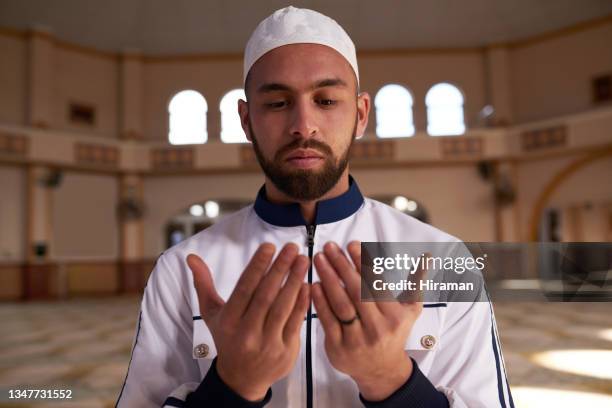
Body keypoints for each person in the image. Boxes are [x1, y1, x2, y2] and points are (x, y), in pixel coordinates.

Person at [116, 6, 513, 408]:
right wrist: (230, 387)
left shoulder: (445, 260)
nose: (303, 125)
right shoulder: (182, 270)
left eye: (325, 100)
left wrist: (392, 381)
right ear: (246, 120)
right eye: (276, 103)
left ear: (360, 115)